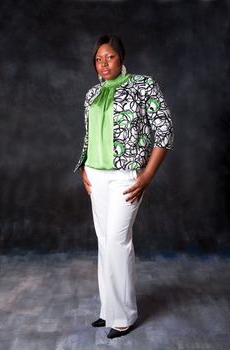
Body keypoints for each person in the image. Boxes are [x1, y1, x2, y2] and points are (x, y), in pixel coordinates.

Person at [74, 34, 174, 339]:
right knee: (105, 243)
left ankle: (125, 315)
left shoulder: (143, 86)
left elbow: (165, 131)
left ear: (121, 58)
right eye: (98, 59)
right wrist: (83, 167)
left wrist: (145, 177)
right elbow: (90, 137)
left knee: (118, 243)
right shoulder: (92, 94)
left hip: (125, 176)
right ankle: (108, 311)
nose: (104, 65)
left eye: (110, 58)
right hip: (97, 176)